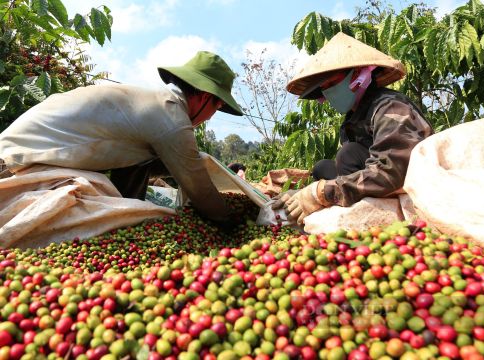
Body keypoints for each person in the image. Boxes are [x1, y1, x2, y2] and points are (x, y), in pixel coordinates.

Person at [0, 51, 243, 223]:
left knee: (142, 161)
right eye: (217, 105)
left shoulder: (151, 106)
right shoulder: (170, 116)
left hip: (16, 152)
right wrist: (233, 220)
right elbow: (199, 189)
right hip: (15, 165)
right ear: (204, 96)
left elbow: (147, 163)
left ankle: (129, 219)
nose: (211, 116)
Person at [273, 32, 433, 225]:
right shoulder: (352, 118)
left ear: (357, 74)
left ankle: (367, 213)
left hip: (404, 182)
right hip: (372, 179)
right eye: (325, 88)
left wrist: (323, 193)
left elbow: (391, 171)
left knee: (347, 154)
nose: (329, 92)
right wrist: (302, 193)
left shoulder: (390, 107)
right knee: (323, 167)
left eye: (333, 83)